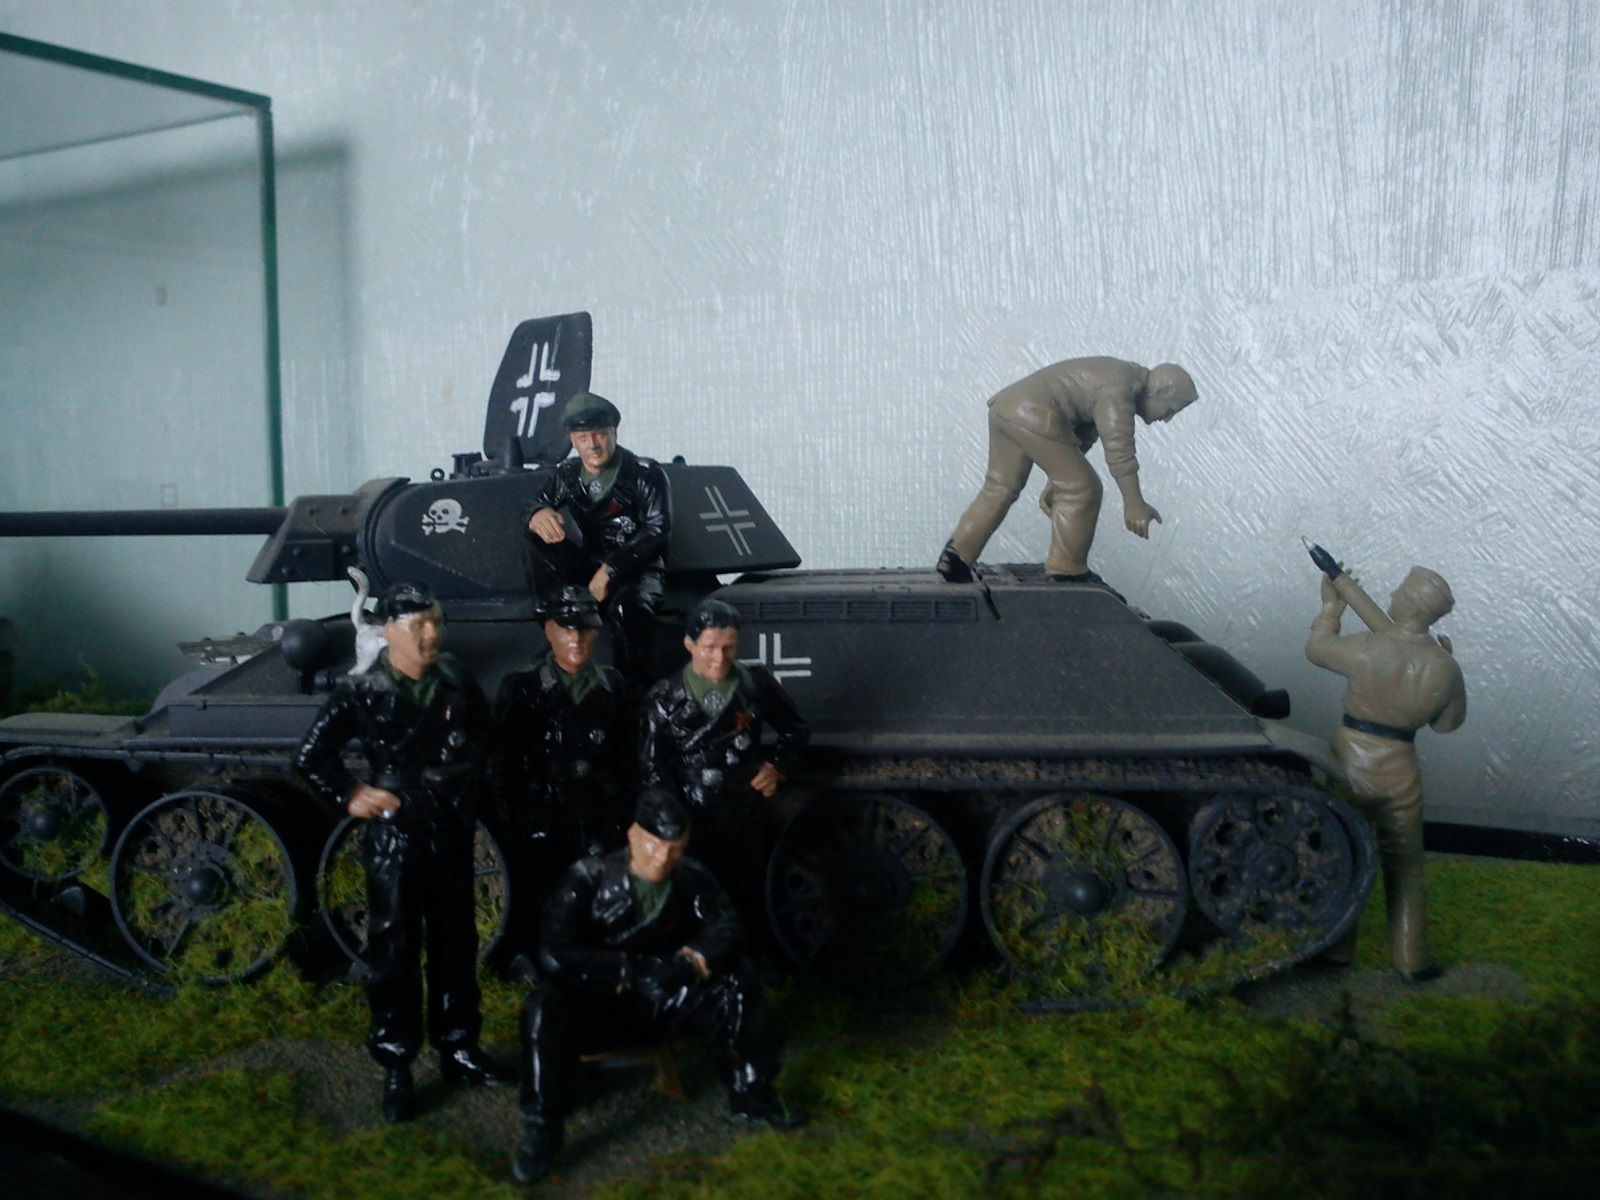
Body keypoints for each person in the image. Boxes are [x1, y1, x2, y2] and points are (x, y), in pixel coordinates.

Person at [295, 581, 511, 1122]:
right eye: (418, 626)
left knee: (456, 944)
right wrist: (351, 794)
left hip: (450, 828)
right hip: (395, 834)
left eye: (435, 622)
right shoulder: (364, 691)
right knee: (393, 951)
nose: (430, 634)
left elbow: (485, 729)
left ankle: (459, 1046)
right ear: (389, 632)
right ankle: (397, 1062)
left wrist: (463, 770)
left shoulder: (454, 676)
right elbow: (311, 755)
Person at [514, 787, 806, 1184]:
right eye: (654, 845)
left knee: (737, 980)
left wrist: (689, 963)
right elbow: (554, 953)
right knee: (542, 1007)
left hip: (669, 999)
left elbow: (729, 926)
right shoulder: (587, 879)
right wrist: (626, 969)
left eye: (675, 848)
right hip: (601, 1003)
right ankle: (542, 1127)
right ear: (633, 835)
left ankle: (753, 1094)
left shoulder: (692, 878)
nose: (663, 858)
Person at [1306, 564, 1467, 981]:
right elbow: (1447, 725)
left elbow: (1317, 649)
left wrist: (1330, 610)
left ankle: (1336, 949)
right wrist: (1448, 666)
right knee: (1406, 864)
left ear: (1411, 604)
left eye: (1399, 591)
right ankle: (1412, 960)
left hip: (1352, 760)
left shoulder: (1368, 646)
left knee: (1345, 852)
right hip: (1401, 766)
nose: (1391, 596)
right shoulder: (1445, 668)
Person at [938, 357, 1198, 584]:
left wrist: (1056, 481)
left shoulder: (1118, 376)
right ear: (1159, 390)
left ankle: (957, 556)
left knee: (1000, 487)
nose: (1167, 418)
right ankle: (1067, 570)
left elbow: (1080, 438)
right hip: (1032, 412)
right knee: (1083, 489)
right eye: (1171, 409)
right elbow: (1119, 448)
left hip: (1006, 407)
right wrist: (1134, 503)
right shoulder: (1119, 389)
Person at [639, 599, 809, 944]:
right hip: (691, 811)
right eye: (709, 647)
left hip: (742, 808)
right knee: (694, 895)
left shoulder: (754, 684)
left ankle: (752, 954)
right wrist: (671, 820)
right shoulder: (664, 698)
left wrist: (777, 766)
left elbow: (795, 729)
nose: (719, 657)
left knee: (749, 892)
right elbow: (653, 767)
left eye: (728, 647)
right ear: (689, 644)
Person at [489, 586, 635, 962]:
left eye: (585, 629)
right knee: (544, 891)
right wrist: (514, 818)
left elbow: (627, 755)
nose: (576, 638)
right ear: (549, 630)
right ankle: (543, 956)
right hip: (545, 809)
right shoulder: (524, 687)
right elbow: (502, 760)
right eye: (566, 628)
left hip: (599, 808)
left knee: (602, 888)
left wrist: (625, 810)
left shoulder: (612, 685)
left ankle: (597, 954)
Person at [524, 391, 670, 685]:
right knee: (535, 535)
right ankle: (555, 619)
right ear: (572, 440)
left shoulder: (644, 473)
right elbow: (536, 502)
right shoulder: (568, 475)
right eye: (582, 438)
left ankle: (634, 689)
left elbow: (657, 529)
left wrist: (611, 570)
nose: (592, 444)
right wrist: (536, 513)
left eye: (599, 434)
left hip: (636, 569)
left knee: (628, 611)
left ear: (614, 432)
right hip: (589, 564)